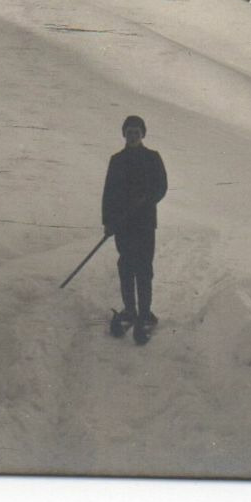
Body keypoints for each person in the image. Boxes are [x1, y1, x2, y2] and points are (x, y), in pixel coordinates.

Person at [100, 114, 168, 343]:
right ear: (124, 134)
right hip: (122, 224)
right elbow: (108, 193)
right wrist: (108, 222)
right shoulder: (116, 160)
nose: (132, 136)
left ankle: (145, 313)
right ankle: (130, 310)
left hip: (145, 223)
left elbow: (161, 187)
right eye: (129, 132)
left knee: (144, 267)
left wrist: (145, 200)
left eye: (136, 132)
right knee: (126, 266)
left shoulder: (153, 158)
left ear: (143, 134)